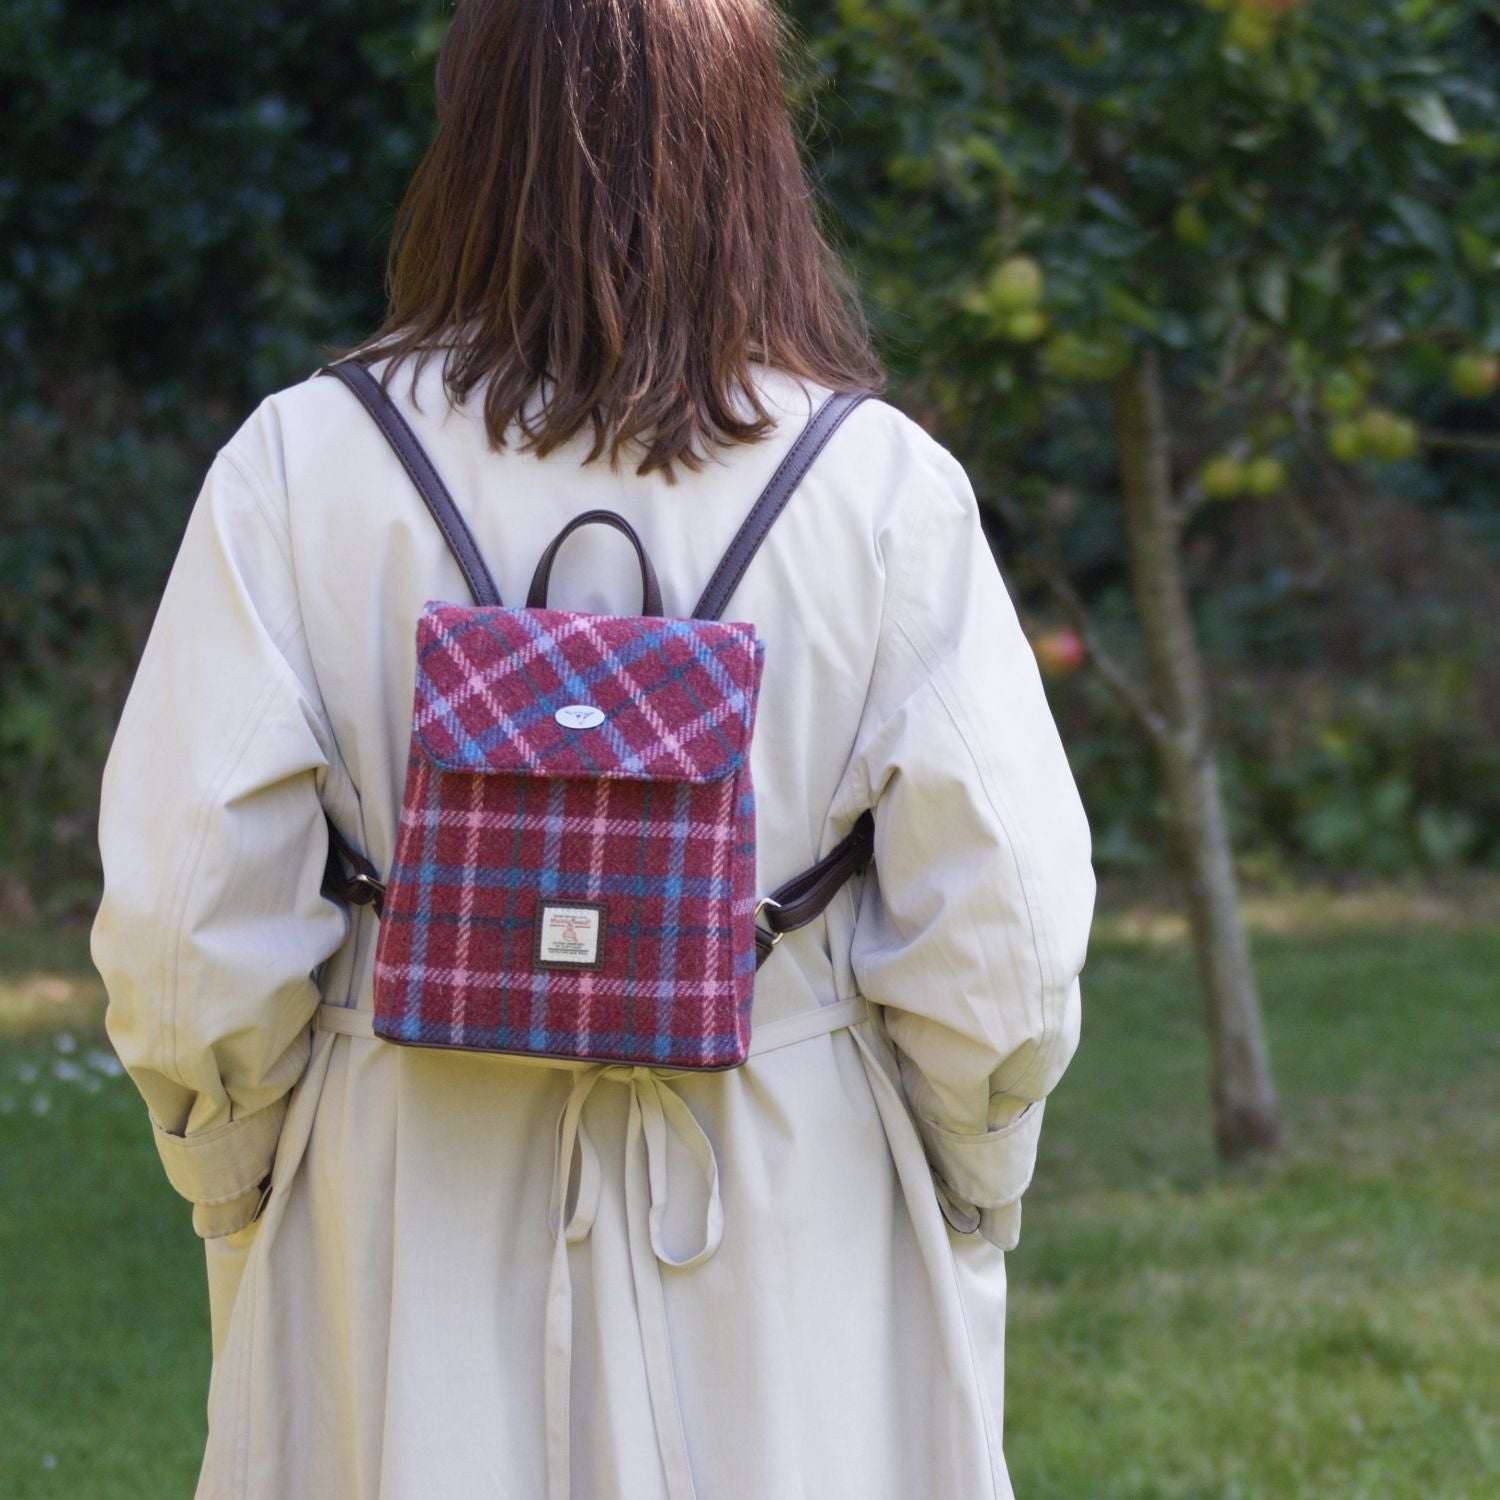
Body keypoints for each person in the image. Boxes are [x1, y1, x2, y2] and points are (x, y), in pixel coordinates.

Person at [90, 0, 1096, 1495]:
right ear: (750, 148)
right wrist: (970, 1177)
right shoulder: (880, 489)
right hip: (783, 1186)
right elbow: (1001, 932)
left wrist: (238, 1178)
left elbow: (185, 923)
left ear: (471, 139)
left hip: (402, 1188)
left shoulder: (302, 466)